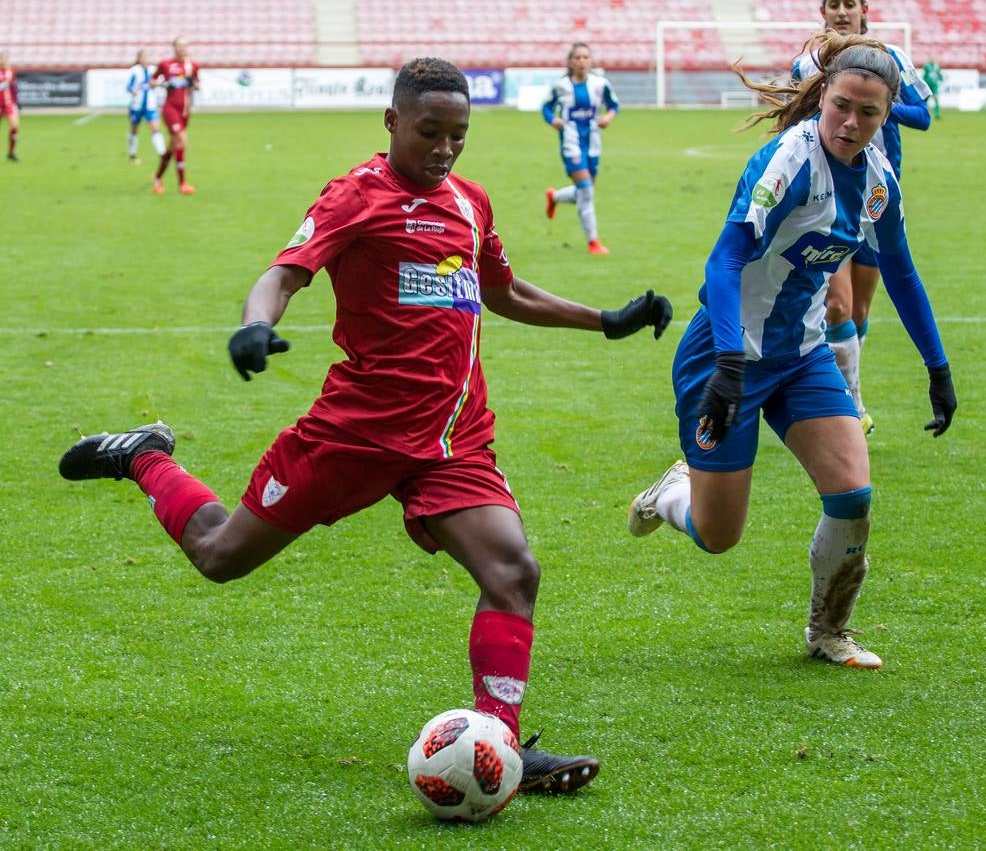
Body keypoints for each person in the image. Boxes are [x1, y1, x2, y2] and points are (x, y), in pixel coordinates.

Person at [59, 58, 673, 796]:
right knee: (221, 555)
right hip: (355, 432)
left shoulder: (471, 203)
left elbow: (503, 291)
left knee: (513, 573)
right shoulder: (358, 195)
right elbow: (284, 273)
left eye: (458, 135)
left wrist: (604, 321)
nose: (445, 148)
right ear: (392, 122)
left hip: (450, 441)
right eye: (430, 132)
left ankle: (498, 747)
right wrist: (256, 327)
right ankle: (146, 457)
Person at [626, 33, 956, 671]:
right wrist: (727, 363)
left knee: (853, 493)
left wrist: (937, 367)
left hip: (803, 354)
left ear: (888, 117)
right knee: (719, 537)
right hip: (725, 357)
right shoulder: (788, 161)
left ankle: (828, 631)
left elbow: (904, 273)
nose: (851, 123)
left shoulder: (879, 181)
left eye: (869, 113)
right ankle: (671, 494)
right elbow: (724, 264)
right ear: (822, 96)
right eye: (841, 106)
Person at [792, 0, 932, 435]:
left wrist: (881, 106)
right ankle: (852, 406)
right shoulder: (808, 63)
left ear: (864, 10)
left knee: (859, 313)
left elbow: (925, 116)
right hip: (824, 200)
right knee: (836, 304)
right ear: (823, 12)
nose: (841, 11)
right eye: (833, 4)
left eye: (848, 3)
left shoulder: (893, 60)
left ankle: (849, 388)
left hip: (876, 202)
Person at [542, 43, 620, 256]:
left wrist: (608, 118)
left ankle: (555, 197)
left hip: (593, 143)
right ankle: (593, 242)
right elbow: (545, 108)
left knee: (585, 192)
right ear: (570, 62)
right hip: (571, 143)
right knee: (586, 191)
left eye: (586, 57)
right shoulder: (561, 86)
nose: (582, 61)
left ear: (591, 60)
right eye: (577, 57)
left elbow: (614, 105)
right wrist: (553, 120)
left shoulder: (600, 84)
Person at [151, 36, 199, 195]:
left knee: (173, 147)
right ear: (174, 47)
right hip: (170, 108)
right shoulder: (165, 64)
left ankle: (157, 177)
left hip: (185, 111)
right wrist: (164, 84)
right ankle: (182, 183)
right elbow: (152, 80)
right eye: (179, 45)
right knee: (182, 141)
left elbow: (198, 85)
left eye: (184, 46)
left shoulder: (192, 66)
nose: (181, 48)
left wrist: (193, 83)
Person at [126, 50, 167, 166]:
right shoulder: (134, 71)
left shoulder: (153, 70)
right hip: (136, 105)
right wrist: (132, 90)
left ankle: (163, 154)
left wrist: (157, 86)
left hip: (150, 105)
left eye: (147, 57)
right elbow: (128, 86)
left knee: (155, 129)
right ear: (139, 58)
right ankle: (132, 155)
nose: (145, 59)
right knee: (134, 130)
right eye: (143, 57)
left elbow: (159, 83)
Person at [0, 50, 20, 162]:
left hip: (9, 103)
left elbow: (14, 88)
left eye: (6, 58)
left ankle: (11, 153)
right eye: (3, 58)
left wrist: (16, 102)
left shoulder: (10, 72)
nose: (5, 60)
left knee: (14, 126)